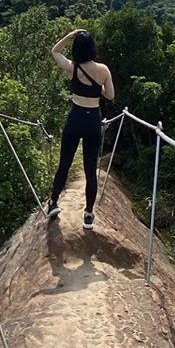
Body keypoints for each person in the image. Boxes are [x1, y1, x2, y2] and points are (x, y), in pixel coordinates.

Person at [46, 28, 115, 229]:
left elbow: (55, 51)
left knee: (64, 164)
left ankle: (53, 203)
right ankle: (88, 215)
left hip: (75, 118)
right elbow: (110, 96)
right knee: (90, 170)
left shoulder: (72, 68)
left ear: (77, 49)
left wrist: (70, 36)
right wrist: (98, 87)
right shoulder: (103, 70)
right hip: (93, 120)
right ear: (92, 48)